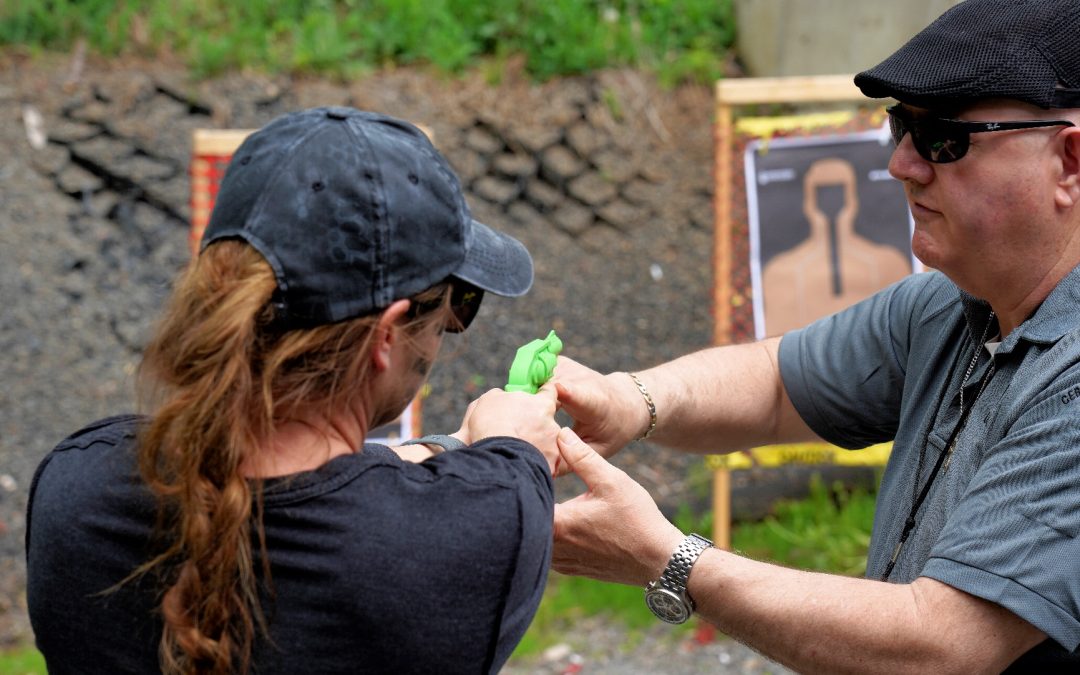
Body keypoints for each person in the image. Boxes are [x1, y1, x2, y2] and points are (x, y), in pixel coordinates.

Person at [550, 0, 1080, 671]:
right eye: (900, 127)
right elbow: (777, 384)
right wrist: (629, 398)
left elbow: (946, 644)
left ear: (1069, 158)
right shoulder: (956, 305)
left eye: (943, 137)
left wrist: (671, 561)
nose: (902, 165)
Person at [25, 107, 560, 675]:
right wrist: (513, 440)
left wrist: (443, 449)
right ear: (384, 336)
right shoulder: (480, 532)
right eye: (455, 303)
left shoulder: (73, 492)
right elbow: (464, 489)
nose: (451, 325)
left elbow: (307, 489)